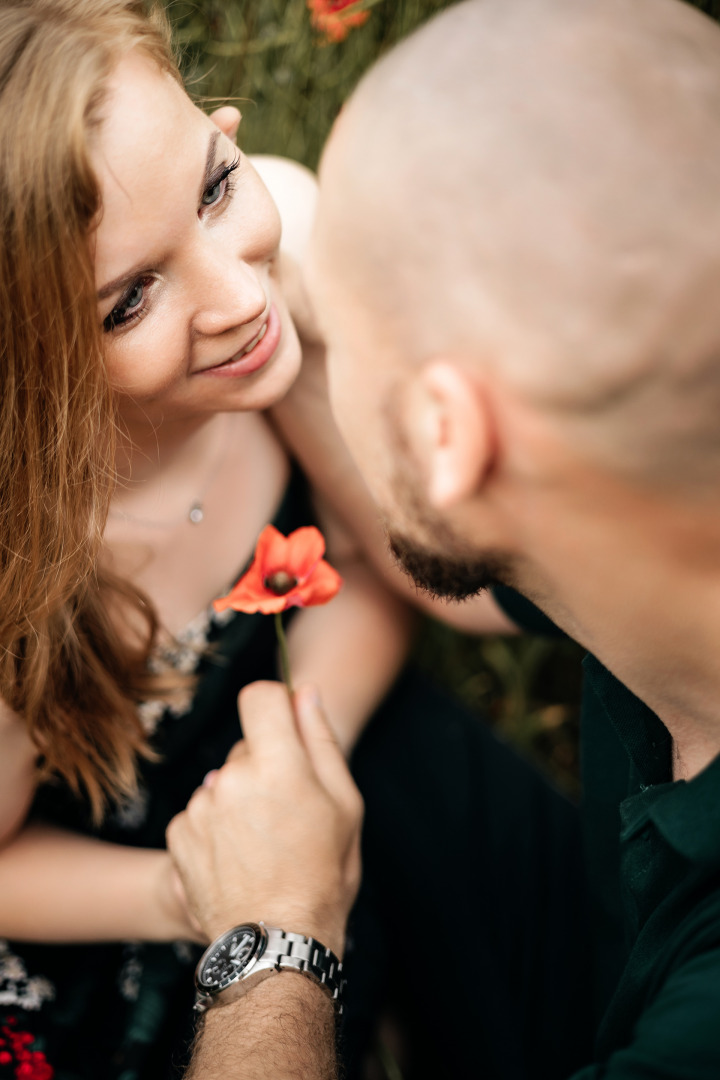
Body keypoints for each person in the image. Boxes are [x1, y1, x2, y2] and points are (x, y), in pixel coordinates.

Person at [166, 0, 720, 1077]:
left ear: (446, 434)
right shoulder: (648, 456)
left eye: (350, 332)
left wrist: (276, 936)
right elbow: (469, 578)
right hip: (606, 942)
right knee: (401, 757)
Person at [0, 1, 472, 1076]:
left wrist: (303, 752)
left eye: (215, 185)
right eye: (128, 302)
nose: (234, 291)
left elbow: (379, 566)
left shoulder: (284, 269)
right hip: (111, 898)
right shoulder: (22, 573)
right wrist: (196, 891)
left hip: (282, 770)